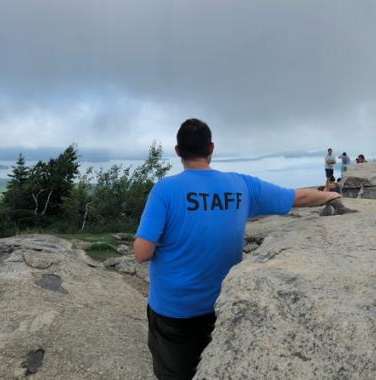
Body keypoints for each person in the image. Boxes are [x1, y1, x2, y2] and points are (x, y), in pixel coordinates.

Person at [134, 118, 343, 380]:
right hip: (223, 304)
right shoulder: (240, 186)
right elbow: (296, 197)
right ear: (211, 148)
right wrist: (331, 195)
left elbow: (142, 253)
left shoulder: (165, 190)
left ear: (178, 151)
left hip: (174, 312)